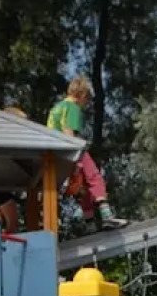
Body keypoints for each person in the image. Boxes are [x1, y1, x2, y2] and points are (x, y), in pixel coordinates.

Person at [47, 75, 127, 231]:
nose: (86, 104)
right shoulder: (72, 107)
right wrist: (76, 155)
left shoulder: (56, 108)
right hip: (71, 150)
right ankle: (107, 217)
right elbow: (68, 132)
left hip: (56, 155)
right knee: (95, 178)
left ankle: (90, 224)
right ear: (82, 95)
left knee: (82, 186)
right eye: (86, 100)